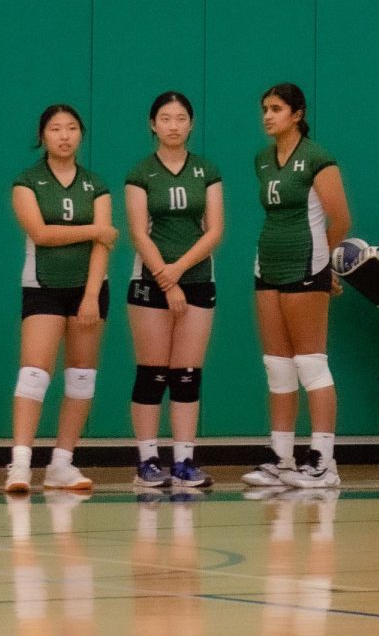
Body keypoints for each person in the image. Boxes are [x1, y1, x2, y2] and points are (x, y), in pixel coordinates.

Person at [242, 83, 351, 490]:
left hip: (306, 265)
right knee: (278, 365)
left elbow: (340, 220)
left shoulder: (317, 159)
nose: (267, 116)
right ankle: (281, 459)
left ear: (297, 114)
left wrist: (323, 267)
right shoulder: (262, 160)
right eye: (264, 108)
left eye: (276, 109)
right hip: (266, 265)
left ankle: (323, 461)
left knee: (310, 362)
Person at [5, 104, 116, 494]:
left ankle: (62, 464)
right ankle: (19, 464)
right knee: (34, 374)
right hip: (44, 287)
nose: (64, 135)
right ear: (43, 135)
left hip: (88, 291)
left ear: (81, 135)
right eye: (56, 128)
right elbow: (41, 233)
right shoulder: (26, 182)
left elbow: (106, 244)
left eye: (71, 128)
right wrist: (93, 229)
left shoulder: (96, 185)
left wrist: (90, 296)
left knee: (82, 378)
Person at [127, 92, 224, 489]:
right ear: (153, 124)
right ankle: (147, 461)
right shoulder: (140, 174)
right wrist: (165, 280)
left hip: (198, 280)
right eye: (165, 118)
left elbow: (214, 229)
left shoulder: (206, 171)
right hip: (149, 281)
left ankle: (184, 461)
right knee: (153, 373)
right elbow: (138, 232)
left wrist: (180, 272)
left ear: (191, 124)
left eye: (181, 118)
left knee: (186, 374)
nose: (173, 125)